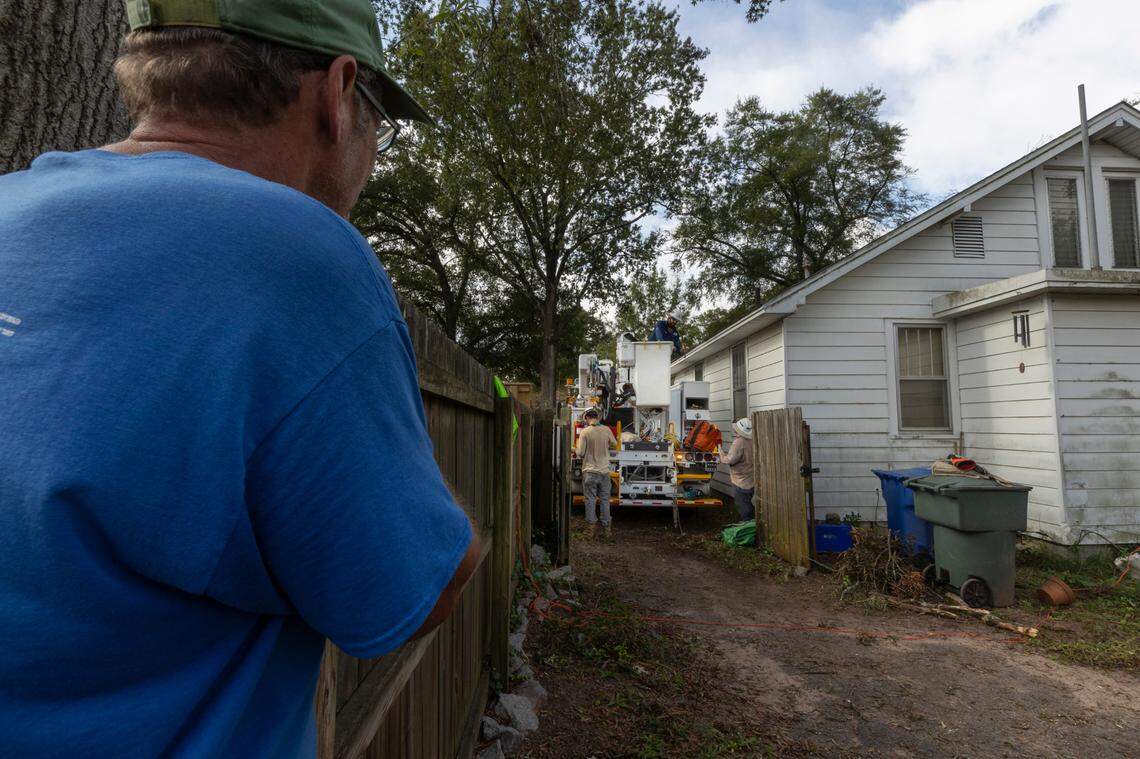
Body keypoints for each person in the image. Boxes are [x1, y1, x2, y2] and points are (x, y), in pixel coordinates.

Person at [0, 2, 481, 755]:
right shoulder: (300, 260)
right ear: (337, 92)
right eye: (379, 113)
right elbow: (418, 591)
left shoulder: (8, 206)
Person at [576, 408, 617, 537]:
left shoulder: (585, 432)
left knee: (590, 499)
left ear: (587, 418)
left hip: (590, 471)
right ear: (598, 418)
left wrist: (574, 449)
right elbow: (614, 444)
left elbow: (581, 453)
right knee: (605, 500)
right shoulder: (606, 430)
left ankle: (590, 530)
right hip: (604, 471)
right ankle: (607, 531)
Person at [722, 418, 756, 520]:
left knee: (745, 509)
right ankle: (751, 525)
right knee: (750, 506)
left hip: (740, 481)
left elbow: (729, 460)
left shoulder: (739, 442)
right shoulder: (752, 441)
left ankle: (747, 531)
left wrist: (721, 454)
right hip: (752, 479)